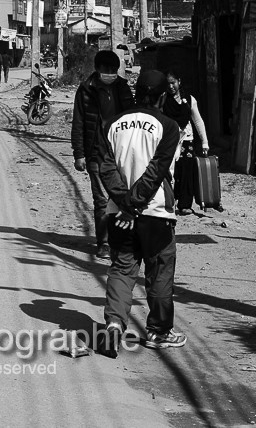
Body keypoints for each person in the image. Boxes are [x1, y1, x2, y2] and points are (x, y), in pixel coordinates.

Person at [99, 68, 186, 349]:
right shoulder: (168, 127)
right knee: (159, 271)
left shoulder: (111, 124)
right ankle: (159, 331)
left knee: (123, 270)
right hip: (156, 213)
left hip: (119, 213)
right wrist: (135, 206)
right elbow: (156, 171)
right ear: (162, 97)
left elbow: (106, 168)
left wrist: (124, 204)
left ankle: (113, 324)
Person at [71, 49, 136, 259]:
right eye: (106, 70)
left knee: (122, 198)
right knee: (101, 201)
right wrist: (79, 154)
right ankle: (104, 243)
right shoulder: (86, 91)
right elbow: (79, 123)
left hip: (122, 153)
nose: (110, 73)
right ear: (98, 70)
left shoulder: (123, 89)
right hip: (96, 153)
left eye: (113, 70)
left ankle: (122, 241)